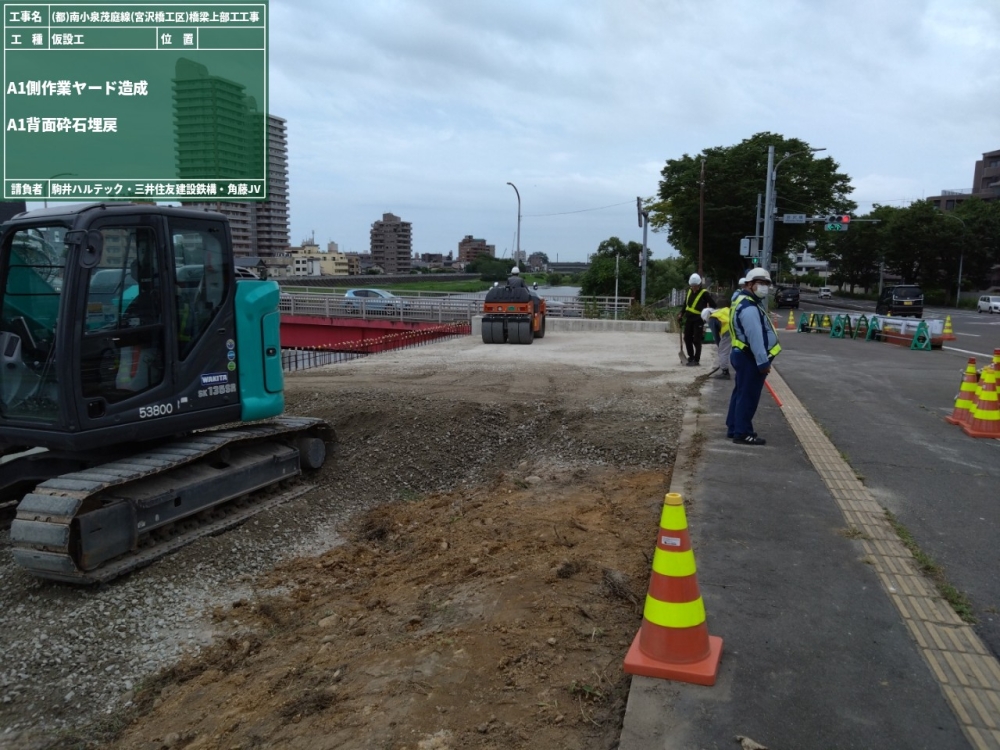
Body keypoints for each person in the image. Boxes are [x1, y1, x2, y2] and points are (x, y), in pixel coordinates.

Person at [726, 268, 781, 445]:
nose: (764, 287)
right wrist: (763, 361)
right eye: (760, 283)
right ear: (749, 284)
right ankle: (742, 433)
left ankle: (734, 427)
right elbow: (755, 336)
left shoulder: (744, 301)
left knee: (741, 393)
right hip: (749, 356)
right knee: (748, 395)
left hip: (742, 354)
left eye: (766, 284)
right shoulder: (749, 307)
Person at [679, 273, 715, 366]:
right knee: (687, 338)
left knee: (696, 340)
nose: (694, 288)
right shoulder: (689, 291)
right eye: (692, 286)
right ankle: (691, 357)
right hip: (689, 318)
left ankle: (696, 359)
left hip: (699, 319)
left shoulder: (704, 293)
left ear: (699, 285)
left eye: (696, 286)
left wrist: (708, 313)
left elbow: (713, 305)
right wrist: (681, 313)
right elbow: (685, 304)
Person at [701, 306, 731, 379]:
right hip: (737, 327)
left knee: (722, 351)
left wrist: (720, 346)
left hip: (728, 331)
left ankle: (725, 372)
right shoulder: (721, 311)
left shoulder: (712, 319)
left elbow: (716, 336)